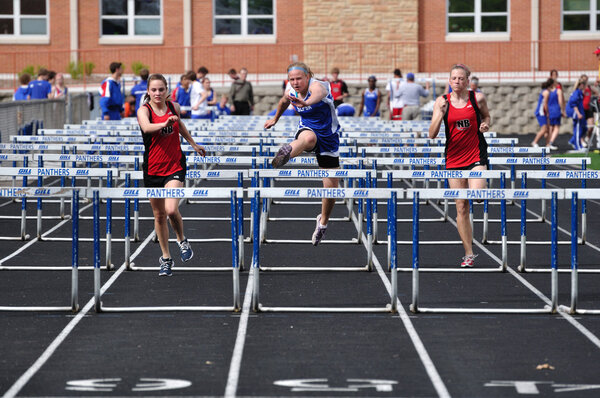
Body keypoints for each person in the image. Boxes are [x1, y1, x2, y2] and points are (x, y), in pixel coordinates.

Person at [136, 73, 207, 276]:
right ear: (148, 91)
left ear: (167, 90)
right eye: (154, 90)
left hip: (175, 164)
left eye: (161, 89)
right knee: (159, 215)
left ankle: (181, 239)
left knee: (170, 209)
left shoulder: (173, 107)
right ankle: (166, 257)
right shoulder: (144, 110)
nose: (158, 93)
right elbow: (147, 127)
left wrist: (193, 143)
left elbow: (180, 126)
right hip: (152, 168)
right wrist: (164, 123)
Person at [265, 62, 341, 246]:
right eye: (292, 79)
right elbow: (284, 102)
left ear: (308, 76)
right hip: (308, 129)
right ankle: (287, 153)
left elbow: (318, 95)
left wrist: (305, 103)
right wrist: (275, 118)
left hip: (329, 136)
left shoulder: (319, 85)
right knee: (307, 140)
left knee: (331, 190)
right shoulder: (290, 90)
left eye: (299, 78)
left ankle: (322, 223)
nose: (295, 82)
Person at [428, 63, 491, 268]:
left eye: (461, 78)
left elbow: (487, 116)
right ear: (449, 81)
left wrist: (486, 124)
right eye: (454, 78)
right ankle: (469, 253)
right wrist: (440, 114)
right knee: (461, 207)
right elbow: (431, 134)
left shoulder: (477, 98)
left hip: (475, 155)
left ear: (467, 81)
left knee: (477, 196)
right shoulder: (442, 101)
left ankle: (481, 189)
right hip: (454, 158)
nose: (457, 81)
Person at [531, 79, 553, 147]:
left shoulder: (546, 91)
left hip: (543, 112)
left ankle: (548, 144)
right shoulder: (546, 92)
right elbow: (545, 104)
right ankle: (534, 142)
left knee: (548, 129)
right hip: (541, 112)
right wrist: (547, 112)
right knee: (544, 129)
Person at [566, 77, 586, 151]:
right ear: (580, 85)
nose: (584, 86)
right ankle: (577, 146)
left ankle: (573, 141)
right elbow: (573, 104)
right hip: (576, 112)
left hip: (580, 111)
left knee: (584, 128)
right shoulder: (576, 92)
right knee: (578, 129)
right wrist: (578, 113)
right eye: (583, 84)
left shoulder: (580, 92)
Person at [546, 77, 565, 150]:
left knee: (550, 127)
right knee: (556, 127)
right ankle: (550, 142)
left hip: (550, 110)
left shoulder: (548, 91)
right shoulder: (558, 91)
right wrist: (563, 110)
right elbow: (560, 102)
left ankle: (548, 143)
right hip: (556, 110)